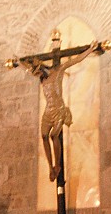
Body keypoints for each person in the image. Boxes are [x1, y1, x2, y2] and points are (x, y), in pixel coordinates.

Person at [24, 41, 98, 181]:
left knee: (53, 136)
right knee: (44, 136)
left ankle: (57, 165)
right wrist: (18, 62)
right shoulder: (42, 78)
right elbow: (26, 67)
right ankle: (50, 166)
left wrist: (89, 50)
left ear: (42, 68)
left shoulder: (58, 71)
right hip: (48, 111)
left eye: (38, 71)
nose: (38, 74)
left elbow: (75, 60)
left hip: (59, 110)